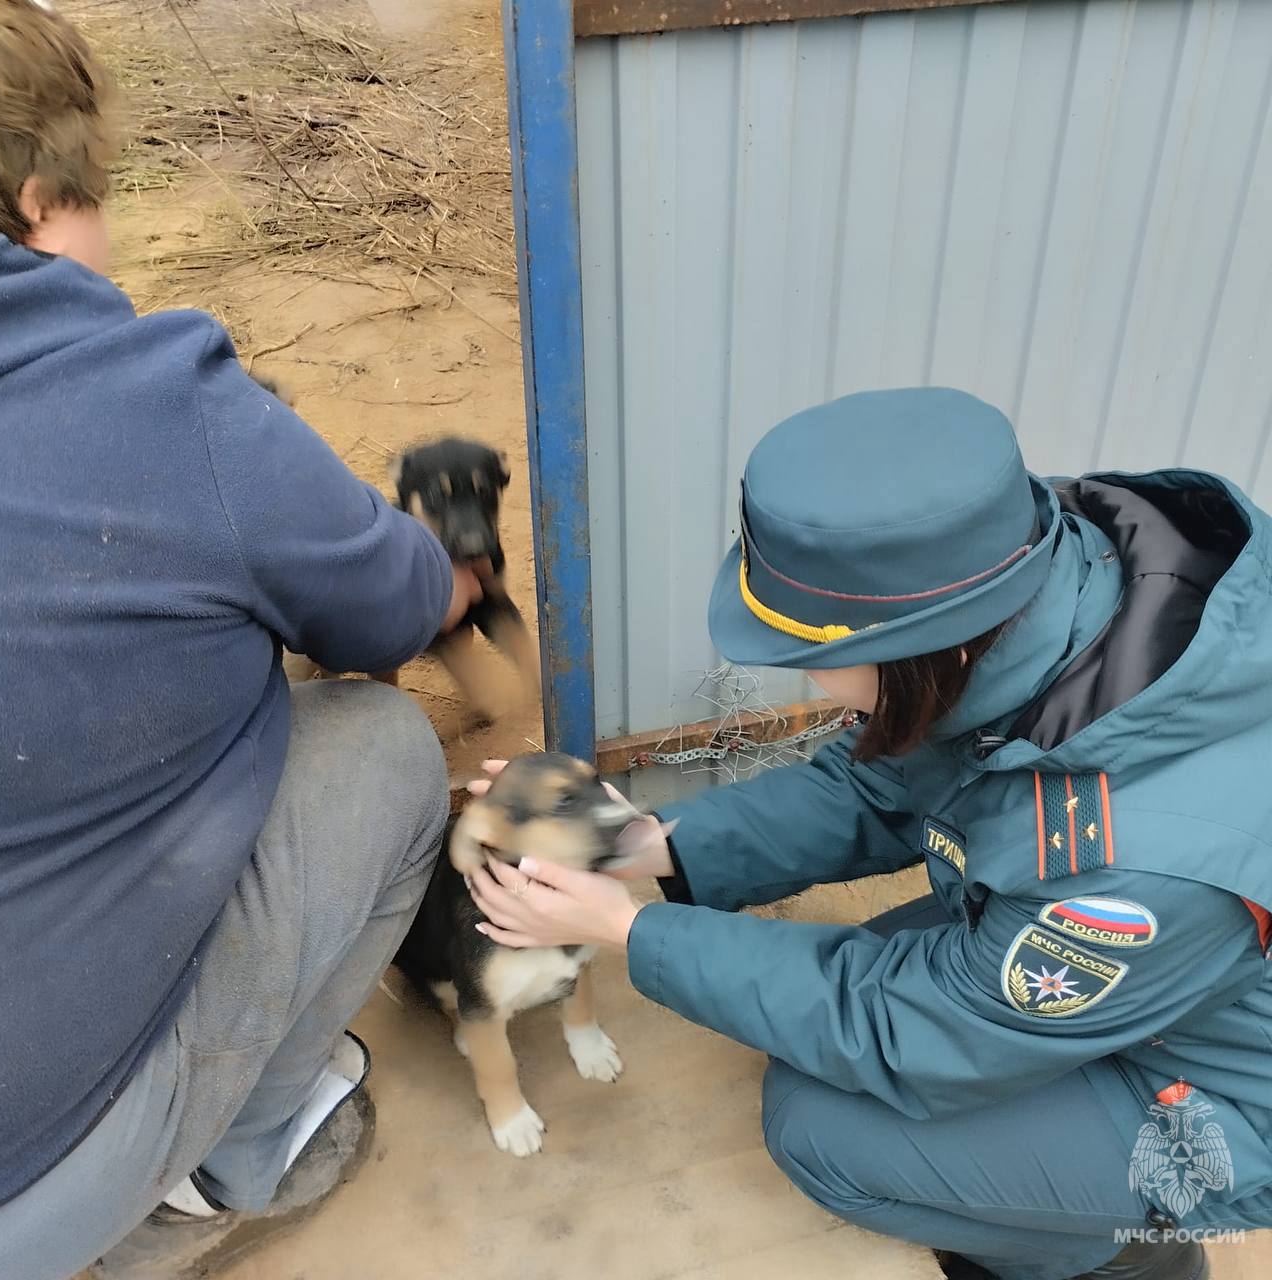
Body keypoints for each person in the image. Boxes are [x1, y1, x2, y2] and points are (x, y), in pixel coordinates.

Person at [469, 385, 1272, 1280]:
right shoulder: (1038, 596)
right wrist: (636, 845)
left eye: (820, 658)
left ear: (937, 649)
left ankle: (1118, 1256)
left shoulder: (1129, 868)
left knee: (822, 1127)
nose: (810, 682)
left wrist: (629, 929)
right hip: (1172, 977)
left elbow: (903, 1026)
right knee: (821, 1015)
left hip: (1224, 1086)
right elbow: (876, 787)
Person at [0, 3, 484, 1276]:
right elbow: (392, 609)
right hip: (22, 1192)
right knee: (380, 744)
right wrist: (435, 570)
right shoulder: (150, 401)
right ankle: (223, 1171)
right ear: (40, 199)